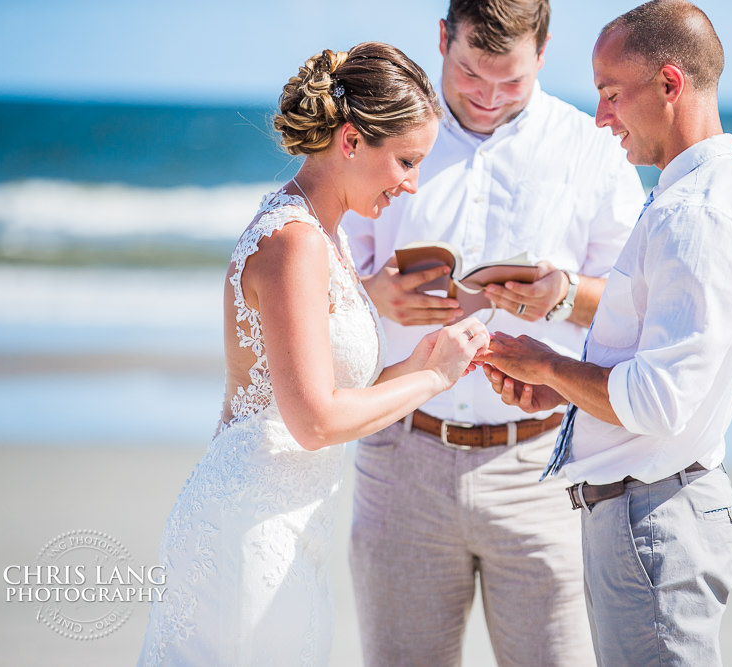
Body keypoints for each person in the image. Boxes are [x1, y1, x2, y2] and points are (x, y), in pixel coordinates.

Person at [137, 42, 490, 666]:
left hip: (295, 525)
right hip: (250, 528)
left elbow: (328, 392)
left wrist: (420, 363)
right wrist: (432, 378)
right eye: (406, 161)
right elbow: (314, 420)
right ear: (351, 140)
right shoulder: (294, 243)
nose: (412, 185)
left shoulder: (325, 236)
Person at [481, 1, 732, 665]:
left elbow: (657, 400)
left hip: (651, 522)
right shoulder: (721, 192)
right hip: (656, 510)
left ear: (670, 84)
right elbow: (666, 377)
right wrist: (561, 393)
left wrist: (551, 365)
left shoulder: (695, 215)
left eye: (612, 94)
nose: (601, 118)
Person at [342, 1, 644, 665]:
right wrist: (373, 293)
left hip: (540, 469)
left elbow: (636, 308)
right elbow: (321, 279)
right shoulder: (382, 139)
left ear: (543, 52)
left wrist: (563, 295)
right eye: (472, 74)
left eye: (511, 81)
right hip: (401, 459)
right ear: (444, 39)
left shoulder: (591, 147)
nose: (487, 97)